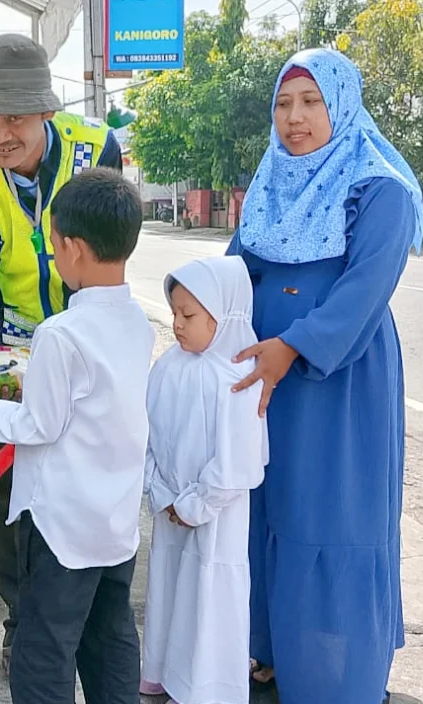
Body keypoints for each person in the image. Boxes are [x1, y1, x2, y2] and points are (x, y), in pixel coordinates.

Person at [228, 48, 423, 704]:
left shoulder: (379, 188)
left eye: (311, 101)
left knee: (332, 519)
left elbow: (364, 291)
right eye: (284, 103)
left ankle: (334, 680)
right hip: (266, 382)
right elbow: (237, 271)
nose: (295, 118)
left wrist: (294, 346)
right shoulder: (270, 183)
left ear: (341, 104)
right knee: (270, 507)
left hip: (336, 386)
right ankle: (274, 649)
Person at [0, 33, 123, 672]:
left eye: (13, 117)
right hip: (7, 345)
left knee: (91, 472)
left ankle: (95, 607)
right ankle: (22, 618)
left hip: (91, 333)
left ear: (46, 110)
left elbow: (106, 253)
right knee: (14, 488)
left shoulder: (98, 149)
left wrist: (78, 349)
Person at [0, 168, 154, 703]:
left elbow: (40, 425)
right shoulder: (137, 322)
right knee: (111, 638)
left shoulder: (61, 333)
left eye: (51, 243)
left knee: (45, 649)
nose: (51, 253)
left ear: (75, 249)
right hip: (114, 520)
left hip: (62, 524)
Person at [140, 256, 269, 704]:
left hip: (214, 520)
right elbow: (147, 437)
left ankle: (202, 688)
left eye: (189, 315)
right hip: (169, 509)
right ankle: (164, 674)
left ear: (226, 314)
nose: (176, 325)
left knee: (209, 598)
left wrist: (193, 506)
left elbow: (237, 464)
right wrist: (161, 495)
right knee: (172, 589)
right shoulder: (168, 368)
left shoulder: (238, 379)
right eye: (174, 313)